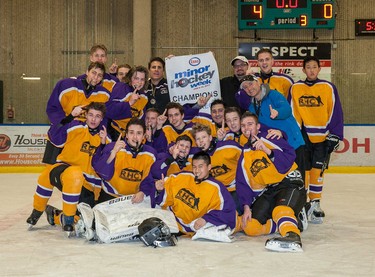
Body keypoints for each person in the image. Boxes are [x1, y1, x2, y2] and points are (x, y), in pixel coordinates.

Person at [26, 102, 109, 235]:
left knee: (84, 220)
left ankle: (55, 215)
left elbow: (104, 167)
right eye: (91, 115)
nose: (93, 119)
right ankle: (42, 211)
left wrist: (104, 145)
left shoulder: (105, 138)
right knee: (64, 175)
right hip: (64, 171)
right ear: (85, 115)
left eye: (97, 116)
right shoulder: (75, 127)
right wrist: (70, 116)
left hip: (87, 187)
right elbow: (54, 136)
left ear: (102, 118)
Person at [236, 112, 305, 252]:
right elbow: (243, 182)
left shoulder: (269, 136)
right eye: (243, 125)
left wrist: (268, 151)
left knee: (281, 210)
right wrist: (247, 207)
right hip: (270, 190)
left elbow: (290, 157)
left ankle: (292, 235)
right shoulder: (245, 153)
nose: (246, 128)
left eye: (250, 124)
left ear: (258, 126)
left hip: (290, 181)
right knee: (250, 226)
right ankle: (291, 220)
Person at [289, 56, 344, 224]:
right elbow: (292, 112)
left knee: (317, 171)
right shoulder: (295, 88)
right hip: (303, 137)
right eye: (308, 67)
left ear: (319, 69)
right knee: (303, 171)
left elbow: (335, 111)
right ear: (303, 70)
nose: (311, 70)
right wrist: (292, 136)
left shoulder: (328, 87)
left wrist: (334, 135)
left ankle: (315, 202)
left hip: (322, 137)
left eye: (314, 67)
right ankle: (302, 202)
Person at [235, 75, 305, 179]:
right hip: (279, 147)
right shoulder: (252, 106)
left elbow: (287, 109)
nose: (249, 88)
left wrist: (278, 112)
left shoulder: (273, 94)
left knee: (299, 178)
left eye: (250, 84)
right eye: (245, 87)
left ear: (258, 82)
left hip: (294, 143)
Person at [154, 151, 237, 235]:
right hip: (174, 221)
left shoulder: (217, 187)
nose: (197, 170)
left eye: (200, 167)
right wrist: (160, 190)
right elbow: (164, 194)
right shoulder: (182, 177)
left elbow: (227, 211)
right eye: (194, 167)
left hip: (198, 226)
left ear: (209, 167)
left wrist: (206, 219)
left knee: (220, 229)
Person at [92, 118, 157, 204]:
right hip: (109, 196)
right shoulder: (113, 147)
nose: (135, 137)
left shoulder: (151, 154)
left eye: (139, 133)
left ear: (144, 136)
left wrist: (143, 192)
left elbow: (150, 179)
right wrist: (113, 153)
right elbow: (103, 174)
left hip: (133, 200)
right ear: (126, 135)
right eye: (131, 132)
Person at [191, 123, 242, 214]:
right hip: (217, 191)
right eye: (198, 139)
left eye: (204, 137)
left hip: (236, 188)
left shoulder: (229, 146)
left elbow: (246, 158)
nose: (201, 141)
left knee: (231, 214)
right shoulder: (197, 158)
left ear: (210, 137)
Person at [106, 65, 149, 140]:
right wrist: (129, 103)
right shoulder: (120, 87)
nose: (139, 82)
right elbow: (109, 111)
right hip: (116, 132)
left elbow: (141, 116)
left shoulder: (144, 96)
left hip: (132, 135)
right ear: (130, 78)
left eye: (142, 79)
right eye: (136, 78)